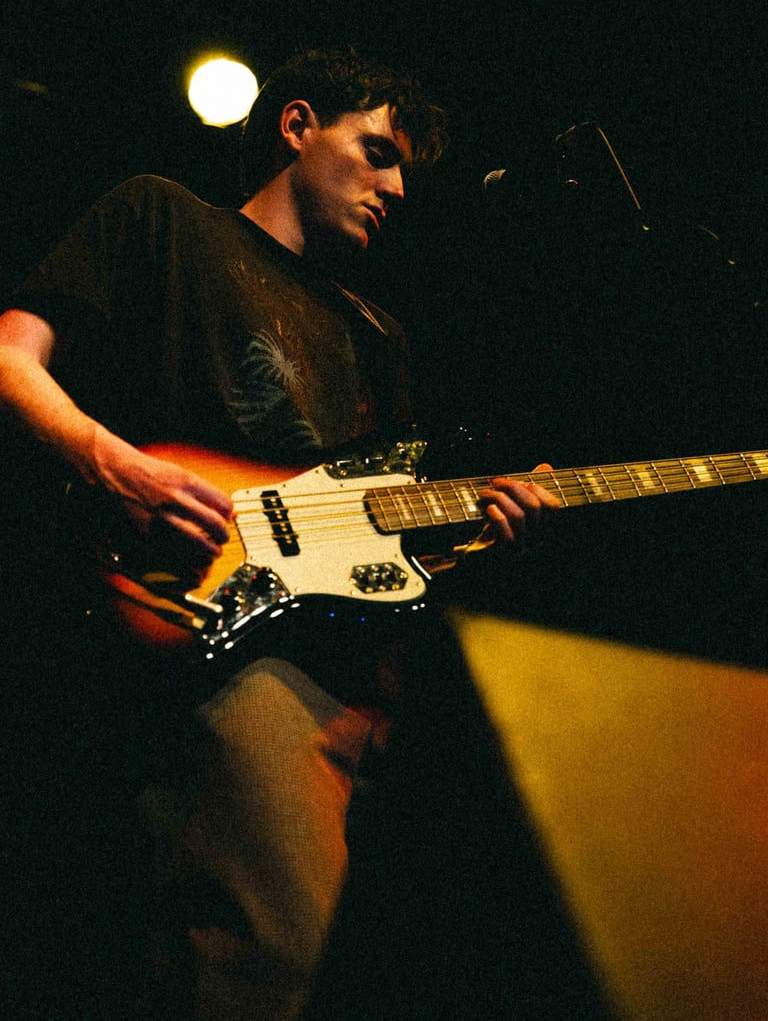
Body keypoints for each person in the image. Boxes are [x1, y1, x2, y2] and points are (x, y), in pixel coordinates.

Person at [0, 49, 559, 1019]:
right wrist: (112, 460)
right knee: (278, 954)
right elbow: (11, 355)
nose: (392, 187)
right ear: (299, 125)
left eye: (404, 174)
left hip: (364, 681)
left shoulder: (377, 334)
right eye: (376, 151)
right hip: (221, 644)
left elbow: (376, 542)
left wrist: (485, 532)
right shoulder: (164, 215)